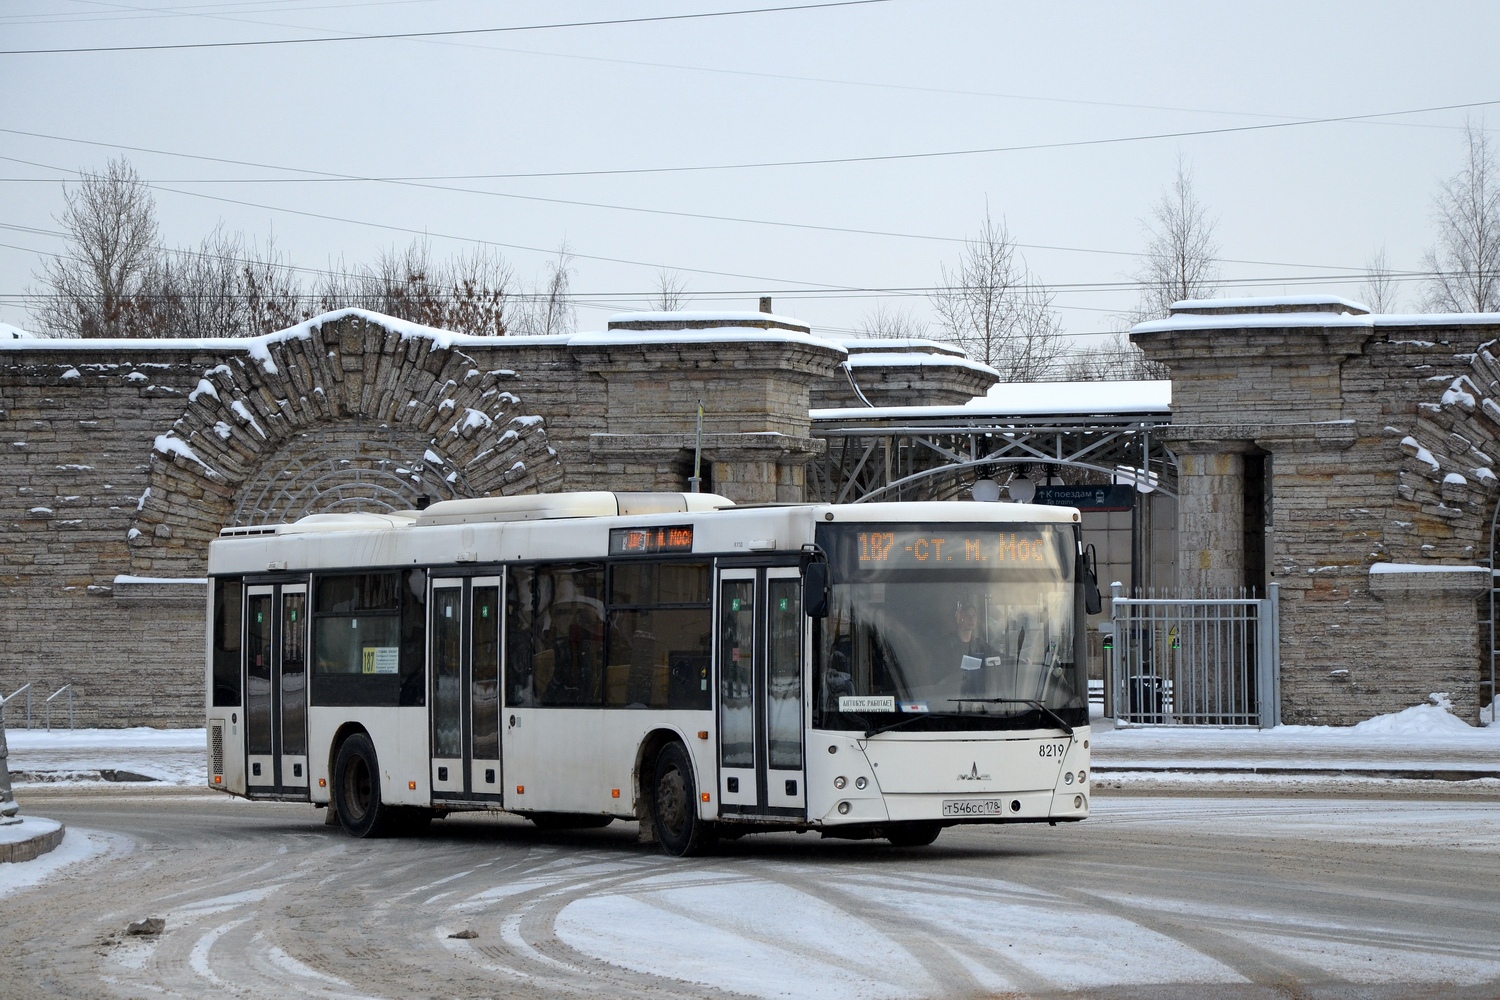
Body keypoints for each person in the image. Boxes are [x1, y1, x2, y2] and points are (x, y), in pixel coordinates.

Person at [947, 593, 1001, 699]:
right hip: (953, 698)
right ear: (959, 618)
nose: (971, 619)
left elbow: (998, 657)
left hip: (978, 698)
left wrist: (1020, 661)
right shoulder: (948, 644)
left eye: (974, 615)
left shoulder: (980, 644)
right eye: (967, 615)